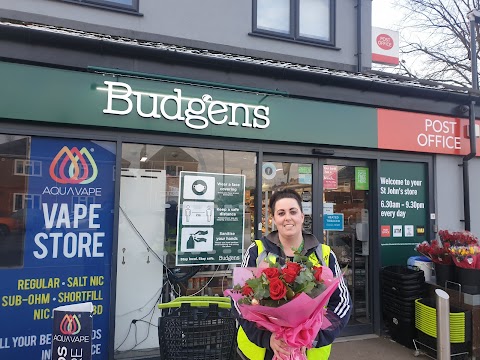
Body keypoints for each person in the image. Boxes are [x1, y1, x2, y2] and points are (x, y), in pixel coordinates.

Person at [235, 188, 351, 360]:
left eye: (293, 211)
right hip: (261, 353)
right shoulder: (257, 251)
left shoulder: (324, 255)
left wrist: (314, 337)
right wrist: (267, 339)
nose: (287, 218)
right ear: (273, 219)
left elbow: (342, 303)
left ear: (302, 217)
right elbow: (239, 300)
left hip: (309, 352)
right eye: (281, 213)